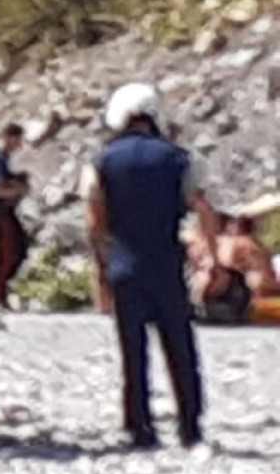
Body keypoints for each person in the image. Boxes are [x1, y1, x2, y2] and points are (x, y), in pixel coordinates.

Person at [84, 82, 222, 449]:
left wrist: (100, 270)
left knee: (133, 351)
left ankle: (139, 426)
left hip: (124, 264)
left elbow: (95, 220)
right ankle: (189, 425)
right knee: (179, 346)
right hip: (166, 264)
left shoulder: (102, 161)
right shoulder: (180, 159)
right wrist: (211, 260)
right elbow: (204, 210)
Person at [0, 123, 33, 307]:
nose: (18, 144)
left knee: (20, 247)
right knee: (8, 251)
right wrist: (19, 189)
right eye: (16, 139)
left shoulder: (5, 159)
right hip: (1, 210)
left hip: (9, 210)